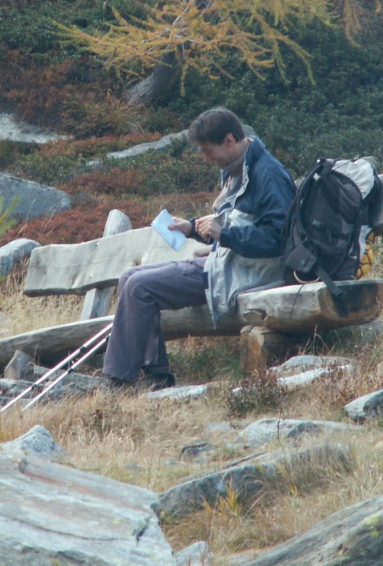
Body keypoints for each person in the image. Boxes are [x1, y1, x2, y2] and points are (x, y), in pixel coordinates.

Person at [102, 107, 296, 389]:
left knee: (140, 287)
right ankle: (155, 374)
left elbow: (278, 239)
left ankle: (121, 380)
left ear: (229, 140)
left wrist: (224, 235)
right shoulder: (237, 169)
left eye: (208, 151)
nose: (206, 159)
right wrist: (192, 228)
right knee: (129, 277)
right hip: (228, 265)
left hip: (248, 275)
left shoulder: (268, 174)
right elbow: (235, 225)